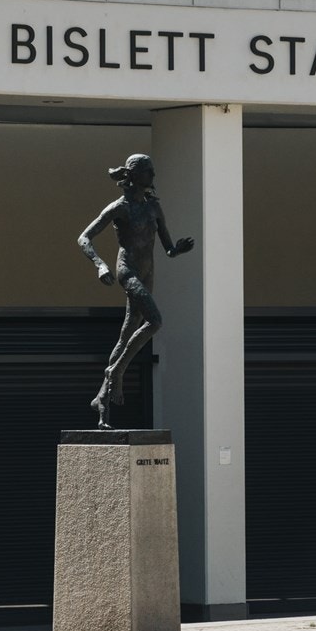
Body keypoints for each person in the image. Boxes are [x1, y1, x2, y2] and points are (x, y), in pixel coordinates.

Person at [77, 154, 195, 428]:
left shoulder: (153, 207)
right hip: (127, 270)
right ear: (134, 175)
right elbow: (84, 237)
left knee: (126, 333)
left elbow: (167, 248)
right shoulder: (120, 208)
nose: (153, 176)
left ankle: (101, 401)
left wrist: (178, 248)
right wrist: (100, 265)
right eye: (149, 172)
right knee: (155, 321)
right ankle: (114, 372)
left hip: (148, 271)